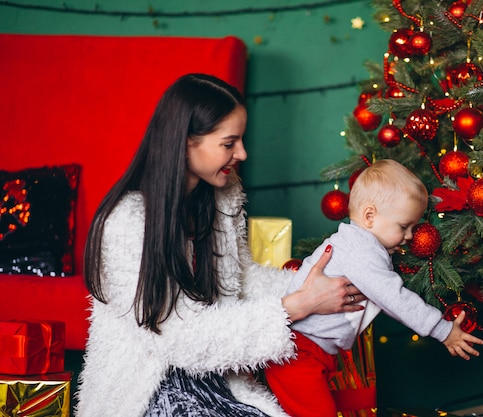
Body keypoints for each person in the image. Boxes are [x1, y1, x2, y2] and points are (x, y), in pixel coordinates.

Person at [75, 73, 366, 417]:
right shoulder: (128, 221)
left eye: (241, 140)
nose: (242, 153)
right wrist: (295, 306)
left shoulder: (219, 197)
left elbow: (239, 279)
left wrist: (312, 285)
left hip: (218, 380)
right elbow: (180, 338)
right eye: (229, 144)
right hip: (151, 387)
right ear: (185, 142)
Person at [264, 159, 483, 417]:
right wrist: (442, 330)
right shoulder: (361, 251)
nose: (411, 236)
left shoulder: (359, 244)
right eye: (404, 227)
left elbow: (384, 298)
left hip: (314, 351)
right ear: (370, 216)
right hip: (298, 353)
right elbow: (395, 298)